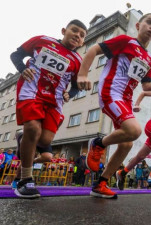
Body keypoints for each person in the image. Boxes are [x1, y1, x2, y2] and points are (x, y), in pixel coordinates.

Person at [76, 13, 151, 198]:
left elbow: (145, 86)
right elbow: (93, 50)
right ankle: (97, 143)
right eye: (149, 23)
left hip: (125, 99)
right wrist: (82, 74)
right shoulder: (125, 41)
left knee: (127, 142)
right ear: (138, 25)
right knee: (135, 131)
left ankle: (100, 184)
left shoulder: (149, 59)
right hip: (111, 91)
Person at [9, 19, 87, 198]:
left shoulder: (77, 60)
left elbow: (75, 85)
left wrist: (71, 94)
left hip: (55, 101)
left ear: (83, 42)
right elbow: (16, 55)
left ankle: (23, 136)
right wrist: (22, 69)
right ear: (63, 31)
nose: (77, 36)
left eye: (82, 35)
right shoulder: (43, 41)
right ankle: (25, 180)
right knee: (33, 128)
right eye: (74, 31)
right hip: (32, 91)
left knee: (44, 141)